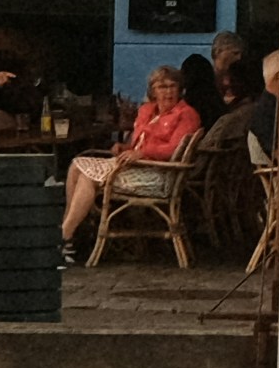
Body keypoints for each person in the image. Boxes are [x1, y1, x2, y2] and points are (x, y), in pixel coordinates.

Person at [61, 60, 206, 256]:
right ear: (153, 91)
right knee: (76, 166)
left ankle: (65, 236)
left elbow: (172, 150)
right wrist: (125, 147)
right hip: (134, 166)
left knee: (88, 176)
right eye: (162, 87)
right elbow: (139, 145)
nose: (168, 91)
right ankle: (69, 235)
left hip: (158, 174)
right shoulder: (148, 111)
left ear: (180, 89)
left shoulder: (186, 114)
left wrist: (141, 153)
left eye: (173, 86)